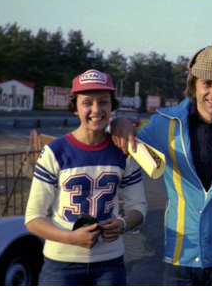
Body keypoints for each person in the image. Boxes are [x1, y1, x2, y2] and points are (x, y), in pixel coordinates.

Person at [116, 41, 212, 285]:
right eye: (207, 84)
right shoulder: (164, 124)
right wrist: (116, 123)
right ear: (193, 84)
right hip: (181, 259)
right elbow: (122, 147)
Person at [25, 69, 147, 286]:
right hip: (61, 263)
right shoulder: (55, 151)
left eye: (103, 102)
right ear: (74, 108)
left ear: (112, 106)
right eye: (87, 102)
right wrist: (70, 238)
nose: (96, 110)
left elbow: (139, 206)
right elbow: (33, 218)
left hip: (109, 263)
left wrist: (123, 223)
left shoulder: (124, 151)